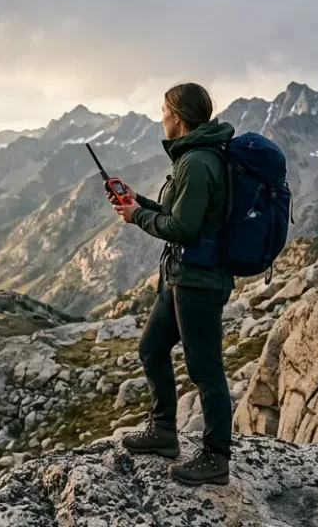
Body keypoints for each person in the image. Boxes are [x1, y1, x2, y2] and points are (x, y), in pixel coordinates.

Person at [108, 82, 235, 487]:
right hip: (180, 276)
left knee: (205, 370)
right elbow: (176, 211)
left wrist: (135, 219)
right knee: (151, 348)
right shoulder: (194, 158)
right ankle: (164, 431)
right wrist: (138, 202)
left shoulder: (197, 162)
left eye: (164, 111)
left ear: (177, 117)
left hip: (198, 280)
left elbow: (182, 227)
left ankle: (216, 458)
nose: (160, 117)